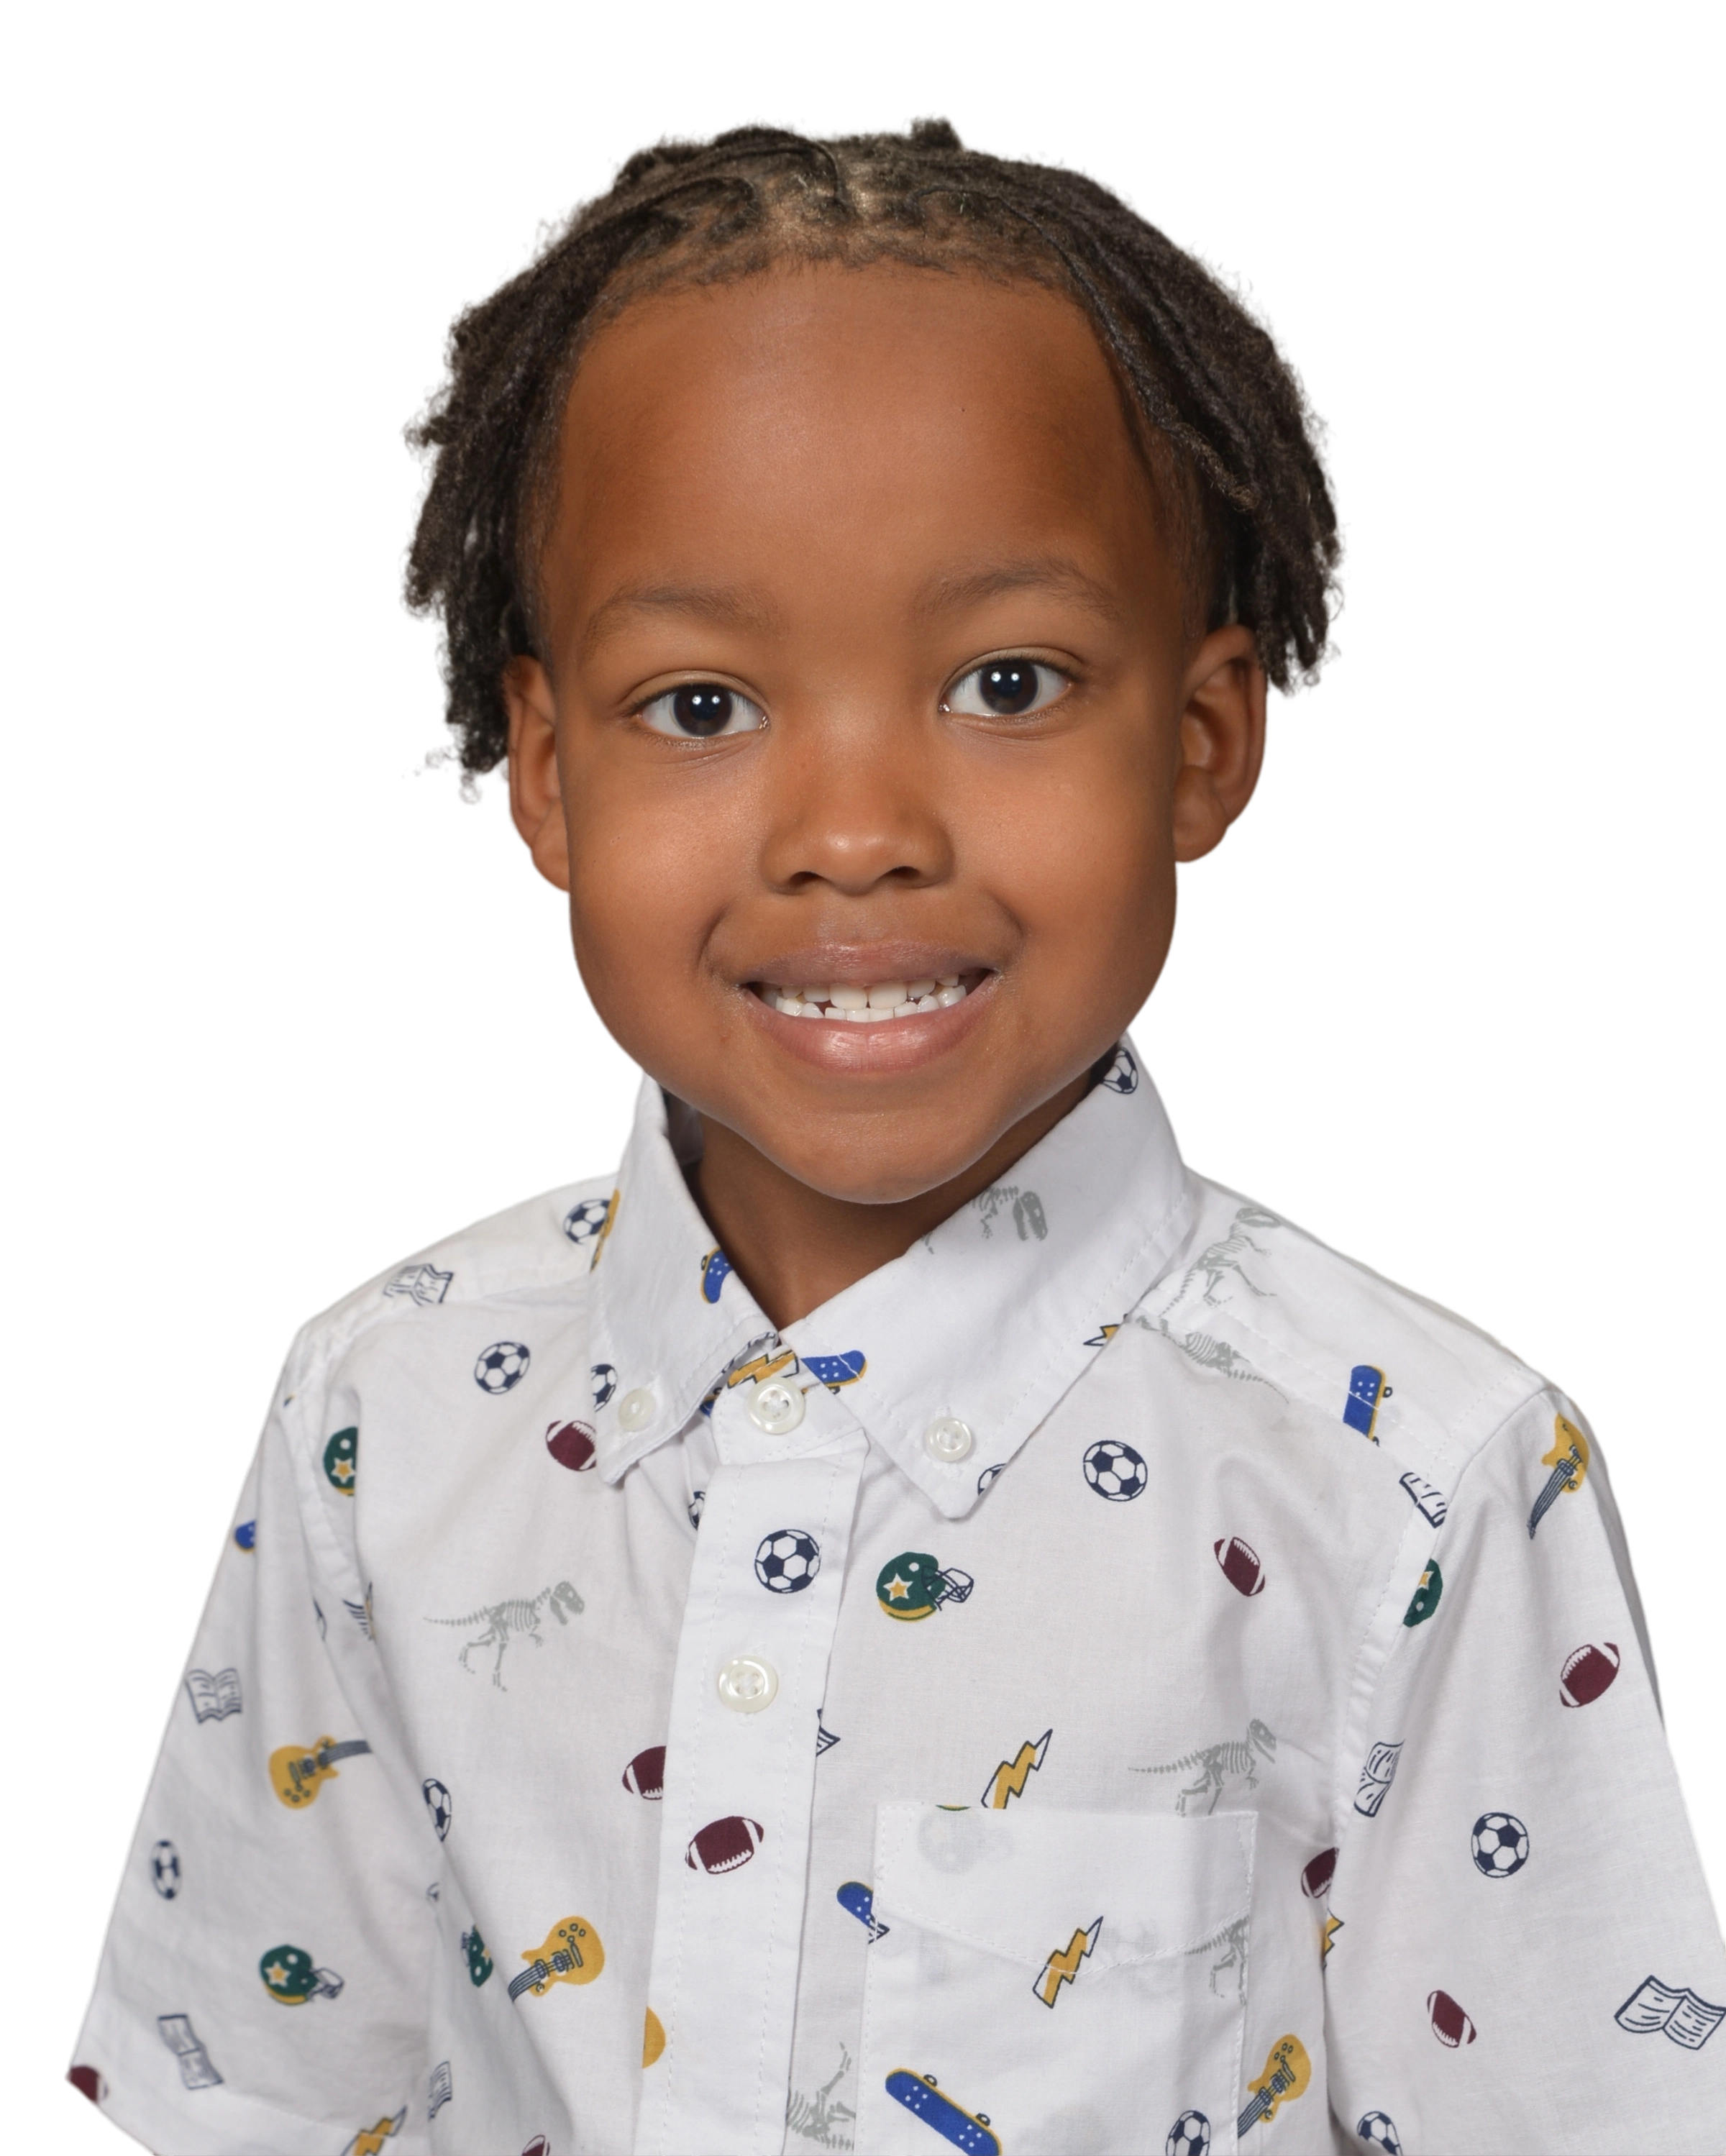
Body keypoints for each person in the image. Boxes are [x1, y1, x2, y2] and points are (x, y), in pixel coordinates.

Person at [67, 111, 1722, 2156]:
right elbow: (262, 2100)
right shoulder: (381, 1416)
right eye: (701, 706)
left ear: (1202, 742)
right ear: (545, 771)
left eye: (1007, 682)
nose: (855, 834)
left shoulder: (1415, 1482)